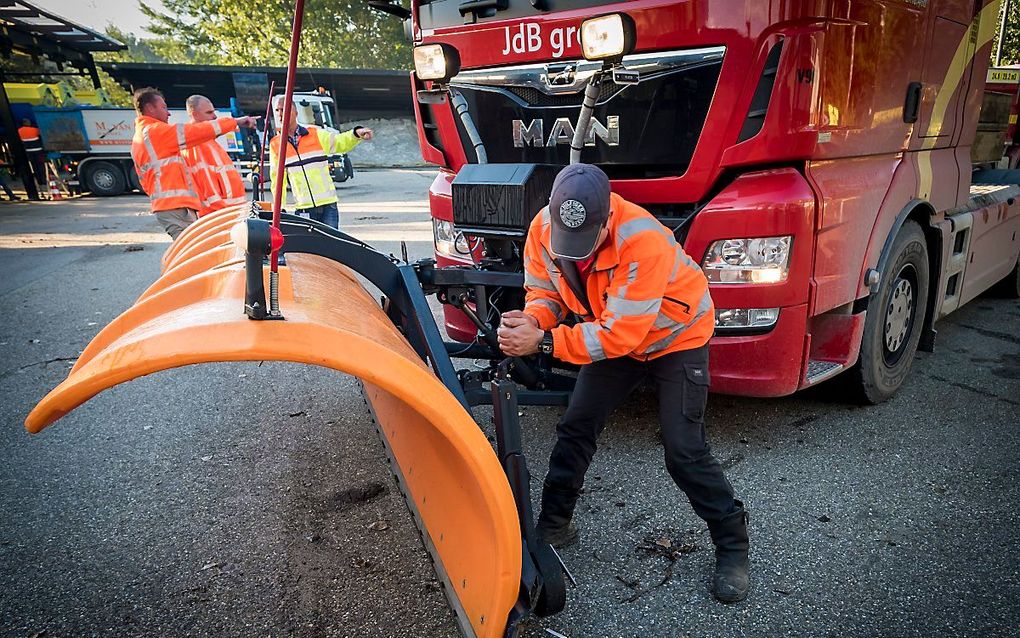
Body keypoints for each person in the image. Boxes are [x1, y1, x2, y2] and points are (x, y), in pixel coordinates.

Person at [497, 164, 750, 603]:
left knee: (683, 449)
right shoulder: (542, 228)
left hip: (675, 337)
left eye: (585, 243)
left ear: (606, 219)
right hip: (616, 335)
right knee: (576, 425)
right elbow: (545, 293)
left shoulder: (642, 240)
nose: (573, 253)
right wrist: (531, 320)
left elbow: (619, 336)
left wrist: (541, 343)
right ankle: (554, 525)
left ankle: (733, 548)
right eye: (565, 241)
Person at [130, 87, 255, 240]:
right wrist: (234, 122)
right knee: (190, 255)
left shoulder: (142, 136)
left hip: (172, 207)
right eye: (163, 107)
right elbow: (196, 132)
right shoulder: (154, 132)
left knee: (190, 251)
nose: (168, 113)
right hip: (175, 207)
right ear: (150, 108)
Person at [268, 98, 372, 228]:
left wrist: (355, 134)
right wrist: (279, 208)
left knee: (331, 246)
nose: (279, 114)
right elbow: (277, 181)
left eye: (283, 109)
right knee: (308, 248)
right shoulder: (276, 145)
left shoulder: (314, 135)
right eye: (277, 110)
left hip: (328, 205)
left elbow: (339, 142)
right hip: (304, 207)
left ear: (295, 112)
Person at [181, 95, 248, 216]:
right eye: (209, 112)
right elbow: (207, 187)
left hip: (228, 212)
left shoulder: (206, 141)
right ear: (194, 114)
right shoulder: (196, 145)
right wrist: (222, 212)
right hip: (220, 214)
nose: (215, 116)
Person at [17, 119, 46, 186]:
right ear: (28, 123)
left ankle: (39, 181)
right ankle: (43, 180)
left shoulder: (19, 131)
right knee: (41, 165)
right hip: (38, 151)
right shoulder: (35, 130)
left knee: (34, 166)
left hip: (29, 151)